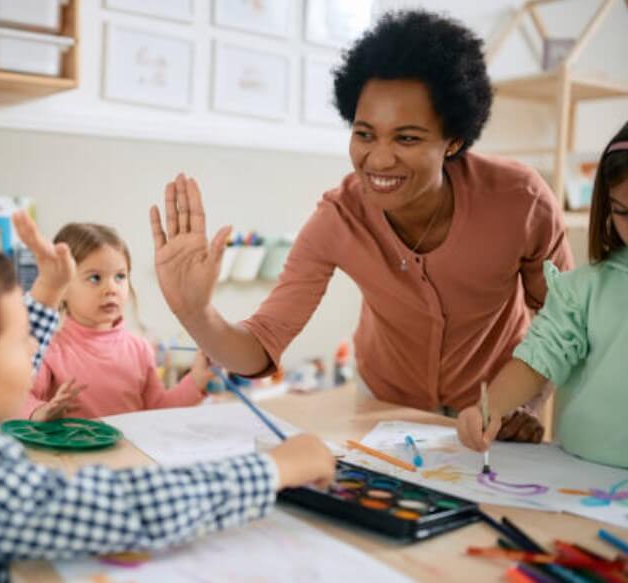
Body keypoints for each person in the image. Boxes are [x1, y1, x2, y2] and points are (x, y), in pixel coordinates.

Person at [0, 212, 335, 582]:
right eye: (22, 339)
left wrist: (42, 294)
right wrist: (273, 470)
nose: (37, 342)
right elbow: (129, 509)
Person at [149, 10, 573, 441]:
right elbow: (259, 347)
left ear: (455, 141)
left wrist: (520, 402)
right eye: (365, 134)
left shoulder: (520, 201)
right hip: (386, 405)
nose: (379, 159)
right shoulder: (339, 218)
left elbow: (563, 319)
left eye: (407, 138)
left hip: (495, 407)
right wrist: (196, 312)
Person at [457, 122, 628, 468]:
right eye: (623, 212)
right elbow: (537, 361)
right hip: (578, 473)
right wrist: (487, 411)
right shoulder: (582, 289)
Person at [22, 222, 212, 421]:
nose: (111, 288)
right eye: (95, 278)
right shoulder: (49, 349)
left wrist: (196, 380)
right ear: (63, 287)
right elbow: (21, 398)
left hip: (132, 451)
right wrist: (40, 411)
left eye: (120, 276)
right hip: (74, 453)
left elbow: (157, 409)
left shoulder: (140, 348)